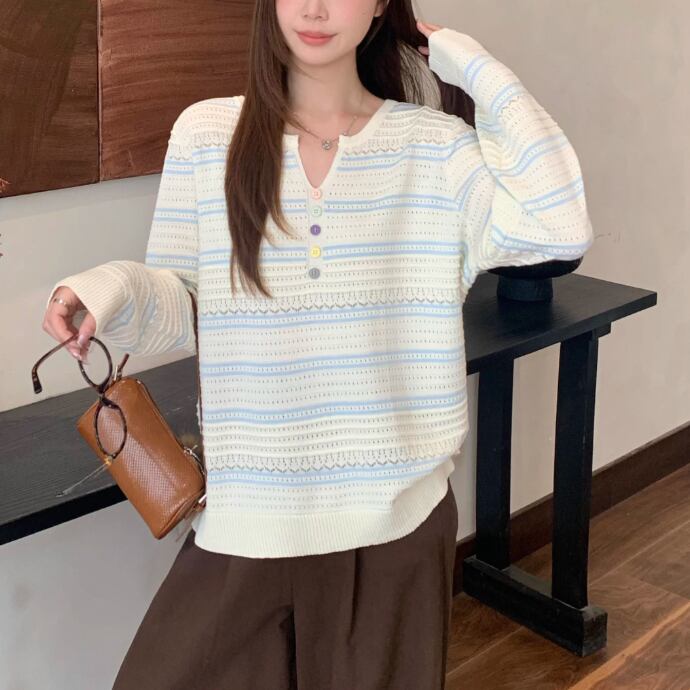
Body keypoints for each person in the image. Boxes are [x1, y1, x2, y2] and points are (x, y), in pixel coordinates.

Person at [41, 0, 594, 687]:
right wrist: (107, 289)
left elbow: (557, 227)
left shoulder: (436, 147)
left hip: (393, 523)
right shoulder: (208, 134)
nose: (314, 7)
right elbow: (183, 302)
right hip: (247, 518)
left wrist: (475, 67)